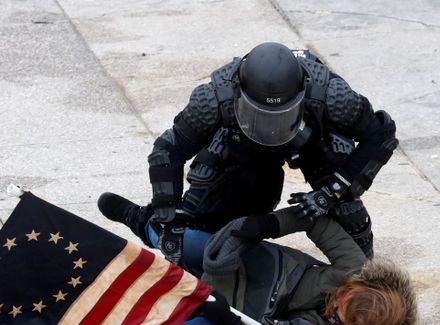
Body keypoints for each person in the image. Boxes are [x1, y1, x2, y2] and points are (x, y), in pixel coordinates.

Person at [99, 41, 398, 275]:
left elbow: (381, 134)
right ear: (238, 94)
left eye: (277, 116)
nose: (270, 128)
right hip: (242, 145)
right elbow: (167, 151)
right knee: (196, 222)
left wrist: (333, 191)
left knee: (353, 230)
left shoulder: (332, 96)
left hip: (311, 143)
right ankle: (142, 220)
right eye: (261, 115)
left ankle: (365, 274)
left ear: (303, 94)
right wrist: (169, 217)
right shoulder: (214, 99)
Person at [161, 207, 417, 325]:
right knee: (177, 238)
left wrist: (228, 324)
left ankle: (165, 290)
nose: (332, 311)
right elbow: (315, 220)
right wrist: (269, 224)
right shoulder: (354, 267)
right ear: (358, 285)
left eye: (339, 320)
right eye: (343, 296)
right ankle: (141, 226)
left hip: (242, 316)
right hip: (251, 266)